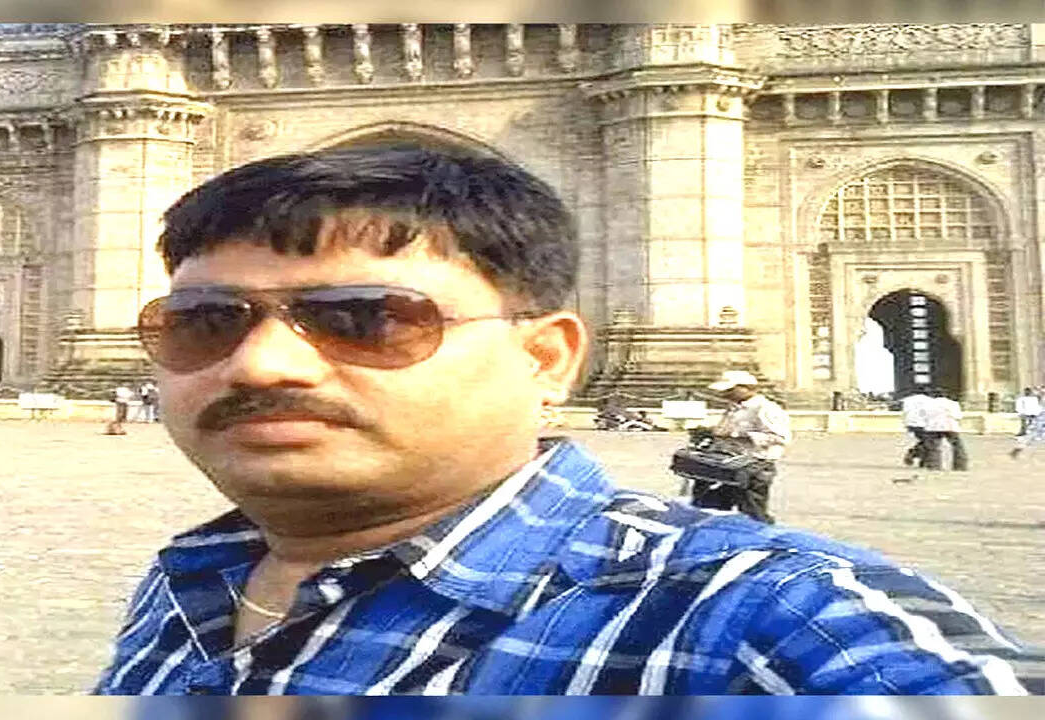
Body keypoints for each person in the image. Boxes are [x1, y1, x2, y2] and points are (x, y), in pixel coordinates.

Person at [95, 146, 1037, 695]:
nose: (263, 363)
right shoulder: (192, 586)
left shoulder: (763, 621)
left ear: (545, 357)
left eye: (366, 318)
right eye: (206, 321)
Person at [689, 370, 792, 524]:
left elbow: (779, 438)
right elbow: (724, 431)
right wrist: (710, 432)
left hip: (754, 466)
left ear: (746, 388)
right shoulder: (735, 407)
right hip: (729, 464)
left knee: (752, 512)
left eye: (730, 390)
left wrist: (736, 434)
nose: (725, 394)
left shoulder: (766, 409)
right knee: (710, 506)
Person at [923, 387, 967, 471]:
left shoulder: (928, 404)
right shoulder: (952, 403)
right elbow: (958, 416)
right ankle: (960, 465)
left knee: (933, 447)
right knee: (957, 446)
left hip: (933, 426)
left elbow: (925, 415)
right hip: (950, 426)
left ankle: (934, 465)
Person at [899, 386, 931, 467]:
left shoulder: (907, 399)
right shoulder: (929, 400)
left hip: (910, 423)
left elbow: (904, 411)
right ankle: (914, 454)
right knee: (929, 442)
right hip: (924, 424)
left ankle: (921, 458)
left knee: (925, 441)